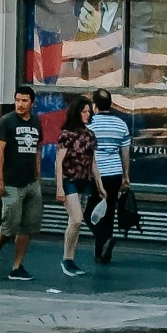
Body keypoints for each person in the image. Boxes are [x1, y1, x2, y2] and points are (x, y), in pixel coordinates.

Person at [0, 85, 42, 281]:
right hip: (11, 182)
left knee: (27, 227)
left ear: (32, 103)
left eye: (25, 101)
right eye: (18, 100)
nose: (20, 104)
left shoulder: (36, 122)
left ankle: (17, 266)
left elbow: (38, 148)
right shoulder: (6, 122)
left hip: (31, 182)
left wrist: (38, 175)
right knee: (9, 225)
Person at [54, 94, 104, 277]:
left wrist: (100, 185)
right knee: (76, 219)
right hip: (69, 181)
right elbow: (59, 162)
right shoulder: (66, 135)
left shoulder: (90, 135)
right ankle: (67, 259)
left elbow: (93, 162)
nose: (87, 114)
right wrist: (59, 187)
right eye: (84, 111)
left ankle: (70, 258)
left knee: (76, 222)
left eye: (89, 111)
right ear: (76, 112)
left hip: (84, 181)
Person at [88, 87, 132, 264]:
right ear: (111, 104)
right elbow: (126, 153)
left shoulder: (90, 124)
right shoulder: (121, 124)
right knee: (109, 212)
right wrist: (126, 176)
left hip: (96, 173)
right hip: (115, 173)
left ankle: (103, 240)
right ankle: (102, 254)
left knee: (90, 212)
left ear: (94, 105)